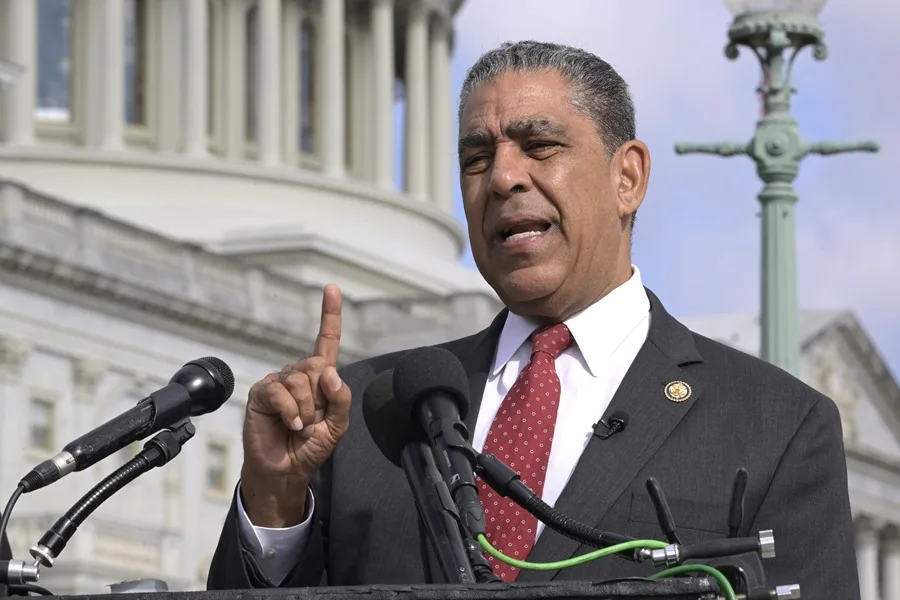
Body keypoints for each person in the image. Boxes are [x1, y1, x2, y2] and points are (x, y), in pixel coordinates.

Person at [207, 41, 860, 599]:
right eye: (476, 158)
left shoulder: (775, 425)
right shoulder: (366, 413)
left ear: (627, 177)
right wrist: (274, 501)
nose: (501, 178)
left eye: (540, 146)